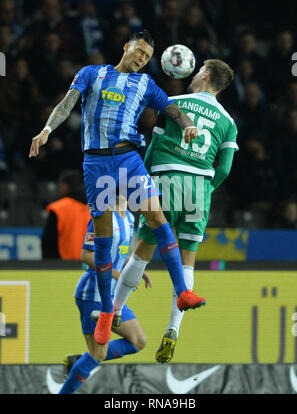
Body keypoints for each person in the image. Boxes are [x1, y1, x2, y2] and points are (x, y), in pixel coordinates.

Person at [28, 30, 204, 359]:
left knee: (157, 218)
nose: (141, 59)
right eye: (138, 52)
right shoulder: (92, 73)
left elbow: (172, 111)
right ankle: (108, 313)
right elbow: (66, 104)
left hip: (127, 159)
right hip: (95, 163)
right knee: (104, 241)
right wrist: (47, 129)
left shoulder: (146, 85)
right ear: (126, 46)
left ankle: (183, 292)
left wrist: (188, 124)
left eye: (147, 57)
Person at [113, 59, 238, 363]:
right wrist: (206, 189)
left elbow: (153, 148)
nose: (194, 76)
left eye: (198, 72)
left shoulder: (175, 103)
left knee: (143, 250)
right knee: (187, 264)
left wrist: (146, 190)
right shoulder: (228, 121)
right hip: (200, 187)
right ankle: (172, 330)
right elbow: (224, 168)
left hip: (167, 177)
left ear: (205, 75)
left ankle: (113, 311)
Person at [59, 196, 152, 394]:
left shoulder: (129, 217)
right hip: (92, 294)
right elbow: (87, 255)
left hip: (112, 296)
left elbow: (119, 252)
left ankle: (81, 360)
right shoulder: (101, 217)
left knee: (138, 341)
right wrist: (118, 274)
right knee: (98, 353)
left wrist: (133, 268)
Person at [42, 170, 91, 260]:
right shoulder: (94, 209)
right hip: (89, 265)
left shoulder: (59, 208)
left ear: (65, 185)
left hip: (63, 266)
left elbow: (48, 242)